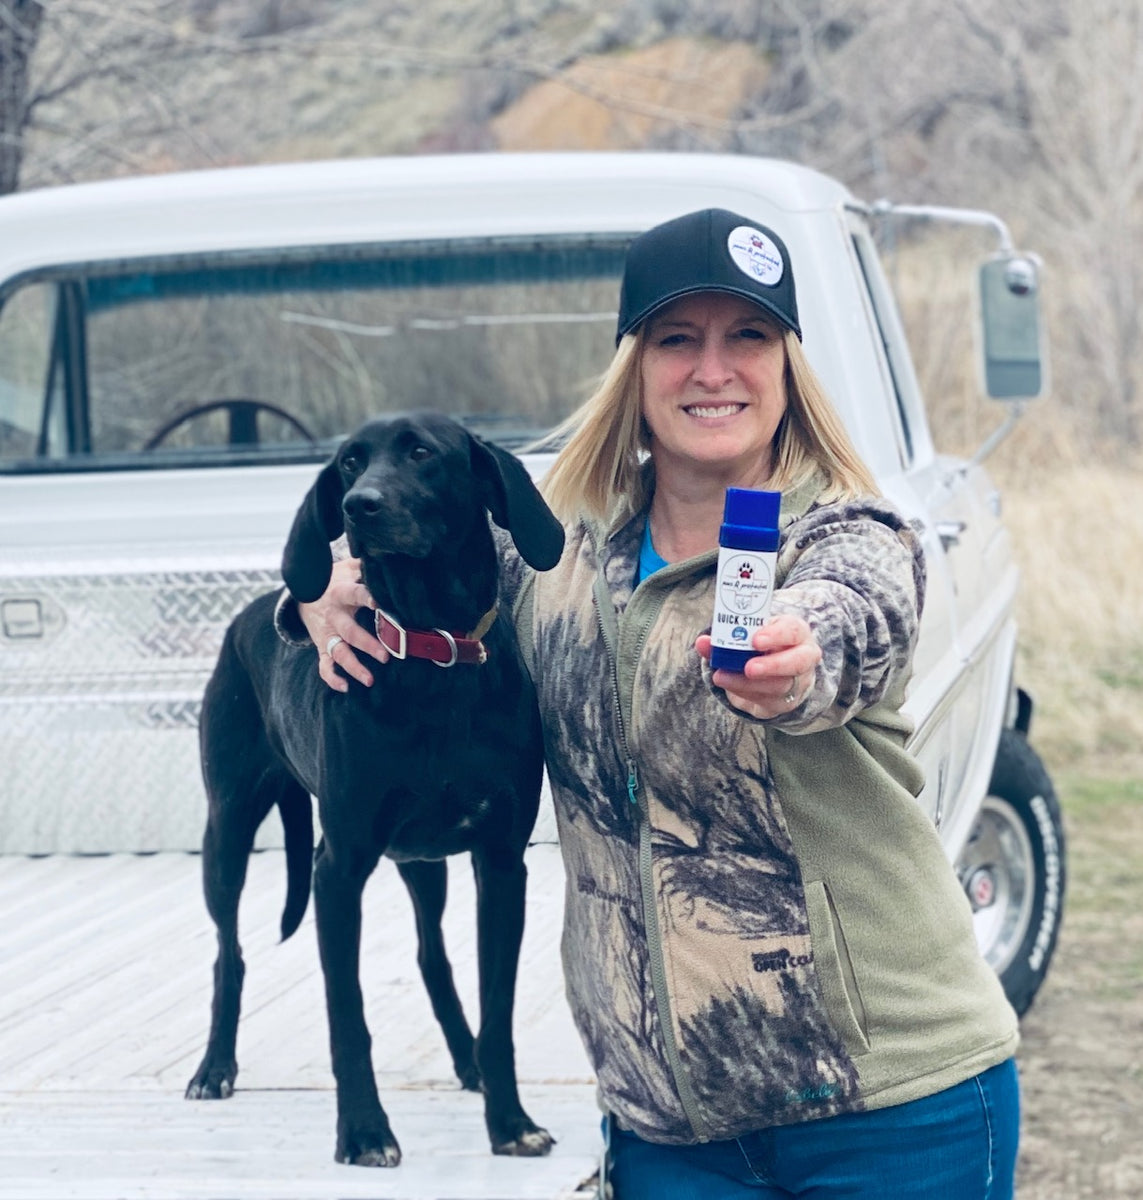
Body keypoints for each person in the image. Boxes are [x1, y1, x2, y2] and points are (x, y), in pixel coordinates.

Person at [281, 207, 1021, 1198]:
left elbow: (858, 614)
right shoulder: (556, 564)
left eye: (748, 337)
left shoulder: (849, 534)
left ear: (787, 368)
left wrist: (800, 654)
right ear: (634, 366)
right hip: (668, 1132)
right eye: (679, 340)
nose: (714, 370)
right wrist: (316, 593)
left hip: (889, 1110)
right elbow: (402, 535)